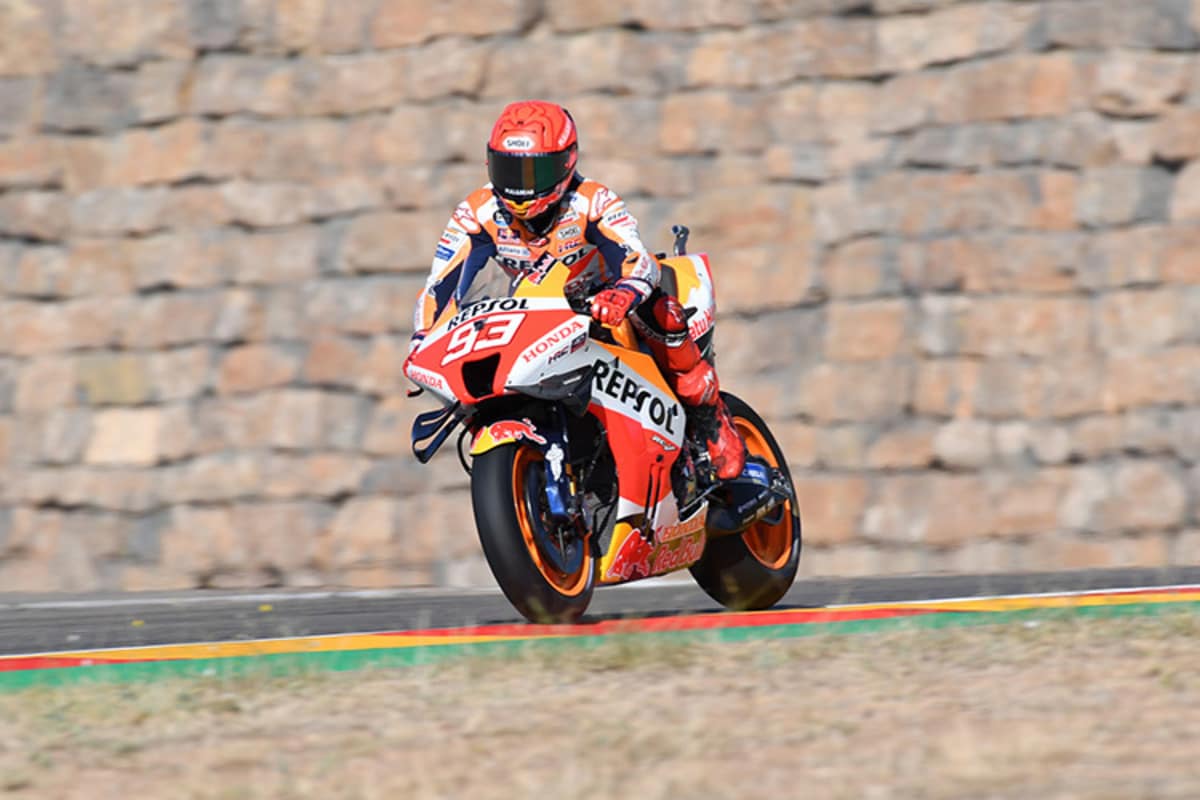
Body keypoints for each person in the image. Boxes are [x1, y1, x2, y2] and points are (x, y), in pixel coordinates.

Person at [407, 100, 746, 480]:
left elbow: (638, 259)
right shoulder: (476, 211)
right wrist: (423, 340)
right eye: (510, 169)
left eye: (538, 170)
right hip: (534, 317)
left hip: (606, 306)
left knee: (662, 312)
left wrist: (623, 293)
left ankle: (709, 418)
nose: (523, 186)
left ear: (567, 162)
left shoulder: (592, 200)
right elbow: (439, 286)